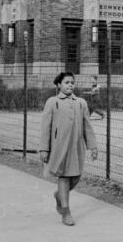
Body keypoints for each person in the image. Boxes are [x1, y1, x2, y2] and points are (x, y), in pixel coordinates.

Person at [39, 72, 98, 226]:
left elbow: (87, 126)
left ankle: (59, 195)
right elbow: (46, 127)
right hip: (59, 148)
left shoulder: (81, 103)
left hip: (77, 147)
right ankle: (66, 212)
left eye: (72, 82)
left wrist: (92, 146)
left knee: (76, 177)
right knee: (64, 177)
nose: (70, 85)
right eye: (66, 82)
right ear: (59, 85)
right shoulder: (52, 102)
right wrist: (44, 149)